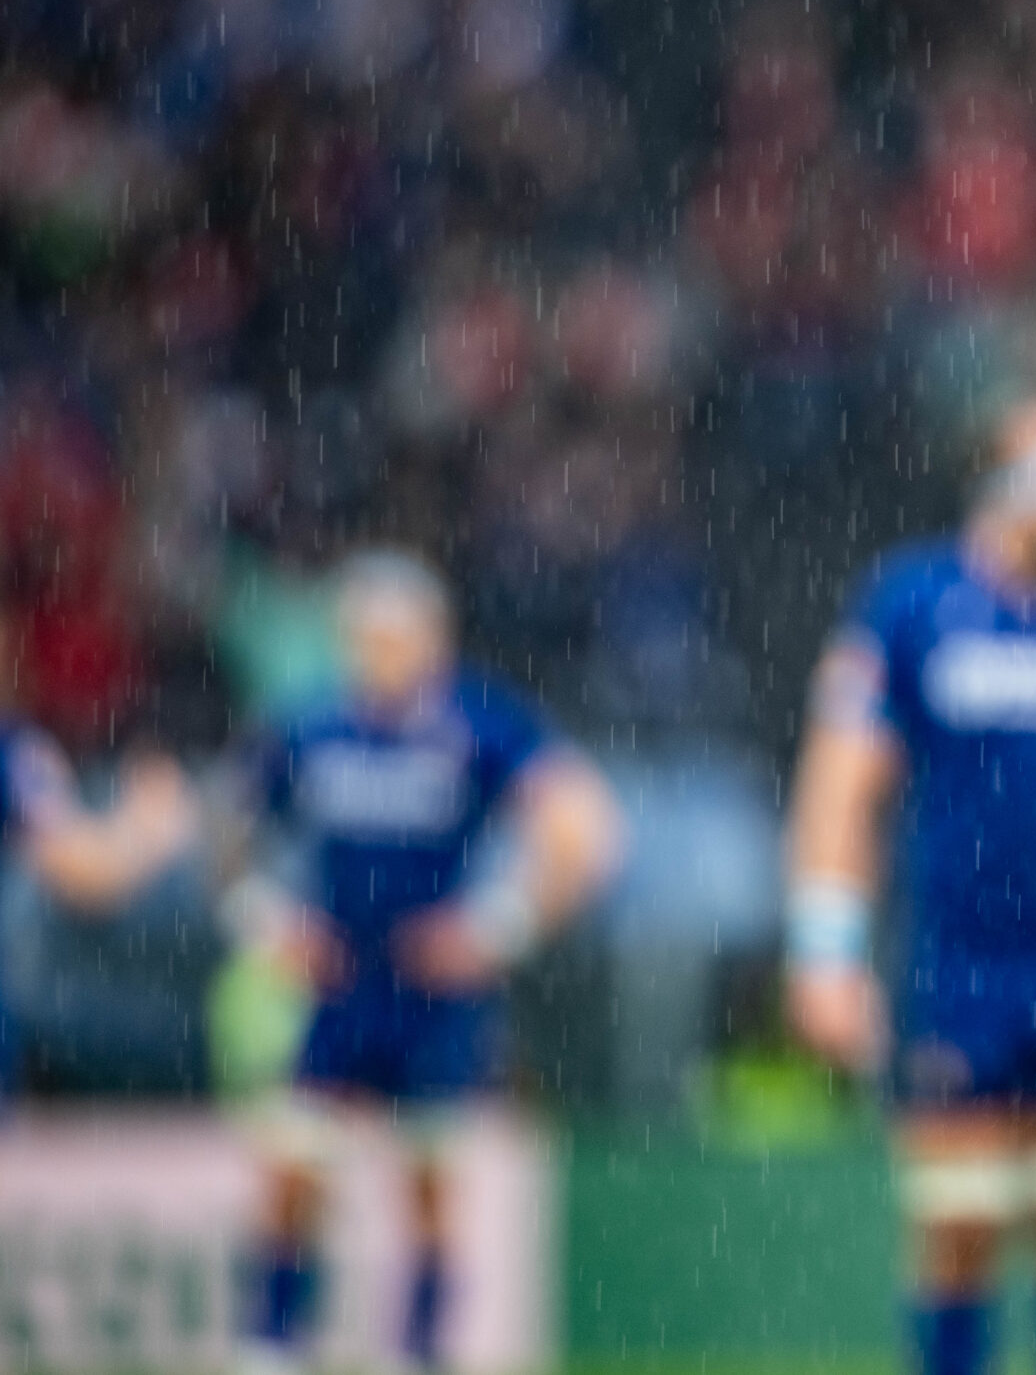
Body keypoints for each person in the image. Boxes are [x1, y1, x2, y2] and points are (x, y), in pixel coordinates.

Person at [783, 398, 1036, 1375]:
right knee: (956, 1229)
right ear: (1022, 495)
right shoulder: (912, 605)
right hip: (962, 957)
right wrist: (826, 954)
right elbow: (842, 787)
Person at [231, 550, 623, 1372]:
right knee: (296, 1162)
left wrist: (499, 925)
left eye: (398, 635)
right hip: (340, 986)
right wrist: (267, 921)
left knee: (431, 1180)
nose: (382, 651)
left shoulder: (478, 726)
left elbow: (584, 826)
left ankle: (420, 1348)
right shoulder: (313, 726)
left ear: (434, 640)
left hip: (435, 997)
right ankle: (271, 1342)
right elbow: (229, 829)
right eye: (367, 635)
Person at [0, 646, 198, 1094]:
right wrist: (151, 828)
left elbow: (80, 864)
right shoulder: (14, 753)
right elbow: (87, 872)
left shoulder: (14, 752)